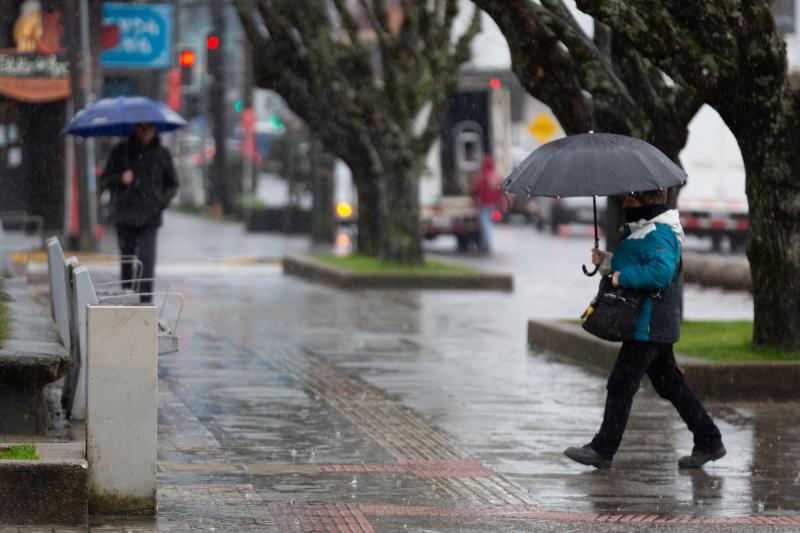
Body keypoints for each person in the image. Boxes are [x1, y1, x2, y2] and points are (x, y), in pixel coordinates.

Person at [565, 189, 725, 469]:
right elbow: (639, 260)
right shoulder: (645, 228)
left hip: (650, 324)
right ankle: (709, 440)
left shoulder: (660, 231)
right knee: (670, 384)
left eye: (630, 200)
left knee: (621, 383)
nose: (625, 204)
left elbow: (660, 272)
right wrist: (607, 261)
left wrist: (621, 277)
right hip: (649, 323)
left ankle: (603, 449)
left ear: (646, 201)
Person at [100, 122, 178, 302]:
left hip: (151, 217)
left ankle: (144, 301)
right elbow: (105, 180)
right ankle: (127, 297)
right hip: (125, 215)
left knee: (147, 259)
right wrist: (121, 179)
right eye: (142, 128)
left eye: (149, 128)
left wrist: (160, 201)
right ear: (135, 128)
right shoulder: (121, 151)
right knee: (127, 260)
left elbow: (172, 184)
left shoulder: (162, 154)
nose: (145, 132)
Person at [471, 155, 501, 254]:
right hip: (493, 204)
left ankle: (486, 245)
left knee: (485, 225)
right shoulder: (496, 175)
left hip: (484, 203)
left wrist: (475, 197)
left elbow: (476, 188)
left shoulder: (483, 175)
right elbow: (500, 190)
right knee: (488, 224)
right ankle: (485, 244)